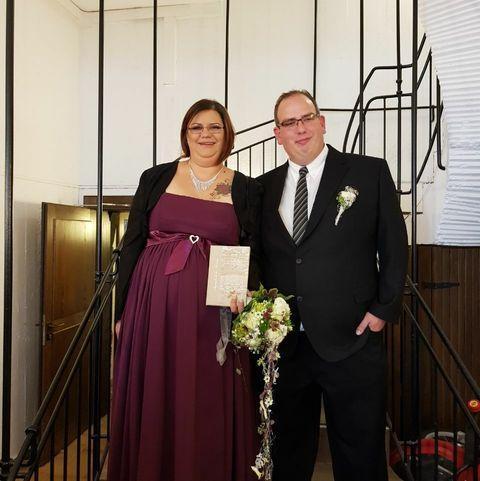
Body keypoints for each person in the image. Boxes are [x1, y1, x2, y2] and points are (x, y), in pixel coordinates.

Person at [257, 90, 408, 481]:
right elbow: (257, 256)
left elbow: (394, 245)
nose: (300, 128)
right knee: (287, 455)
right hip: (286, 345)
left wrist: (382, 309)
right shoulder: (261, 188)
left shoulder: (368, 172)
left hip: (352, 336)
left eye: (306, 118)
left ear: (322, 122)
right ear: (277, 133)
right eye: (289, 122)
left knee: (360, 454)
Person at [108, 99, 261, 481]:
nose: (205, 134)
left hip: (214, 315)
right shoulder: (156, 177)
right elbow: (132, 243)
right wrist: (122, 312)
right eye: (197, 127)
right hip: (153, 308)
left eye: (214, 127)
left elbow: (252, 249)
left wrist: (248, 298)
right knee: (158, 391)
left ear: (227, 134)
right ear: (185, 134)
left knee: (206, 394)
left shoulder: (244, 187)